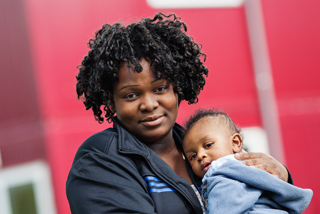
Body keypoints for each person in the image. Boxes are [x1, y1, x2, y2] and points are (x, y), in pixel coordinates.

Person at [66, 13, 293, 214]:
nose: (149, 104)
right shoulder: (99, 161)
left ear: (177, 88)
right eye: (131, 95)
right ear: (111, 102)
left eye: (160, 88)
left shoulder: (204, 148)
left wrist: (280, 179)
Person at [183, 108, 313, 214]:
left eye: (208, 145)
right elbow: (290, 196)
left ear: (235, 143)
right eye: (192, 156)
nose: (200, 155)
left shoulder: (221, 173)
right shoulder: (252, 171)